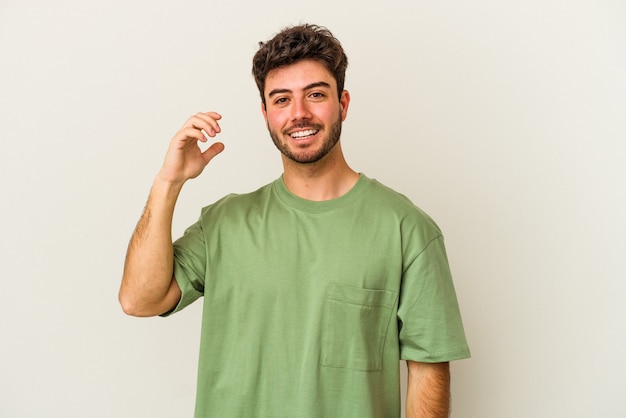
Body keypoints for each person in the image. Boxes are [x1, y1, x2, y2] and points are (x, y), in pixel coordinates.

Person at [119, 23, 470, 418]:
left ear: (343, 103)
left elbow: (429, 371)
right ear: (266, 113)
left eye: (316, 95)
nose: (299, 113)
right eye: (282, 99)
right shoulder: (224, 224)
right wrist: (168, 182)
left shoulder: (407, 229)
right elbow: (138, 300)